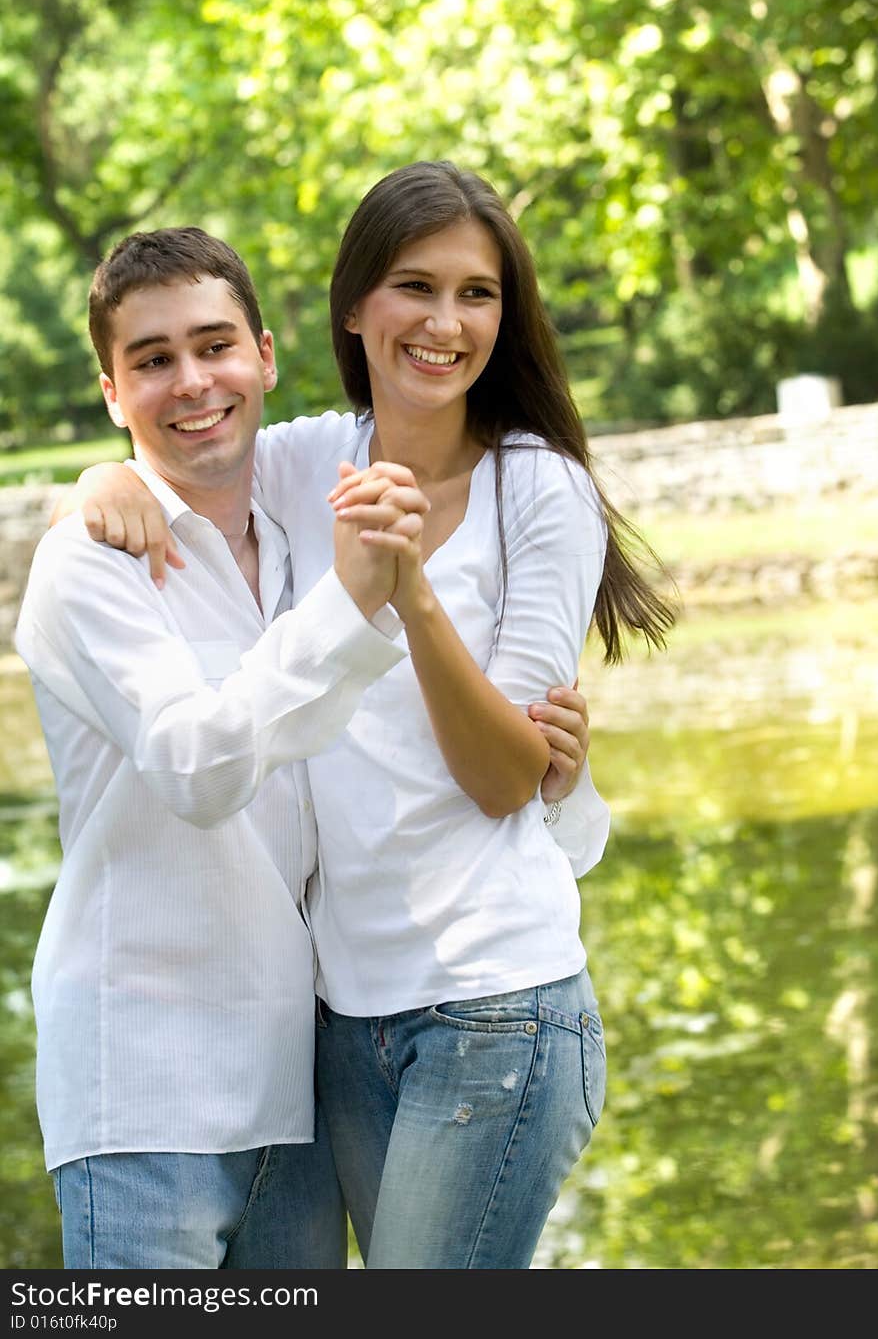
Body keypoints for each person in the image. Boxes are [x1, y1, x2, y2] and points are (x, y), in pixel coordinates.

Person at [71, 164, 675, 1269]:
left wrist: (408, 588)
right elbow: (191, 438)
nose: (446, 323)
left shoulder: (538, 488)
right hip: (342, 1017)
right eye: (414, 286)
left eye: (478, 293)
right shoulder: (307, 461)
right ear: (355, 306)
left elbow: (506, 780)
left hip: (495, 1001)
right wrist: (100, 483)